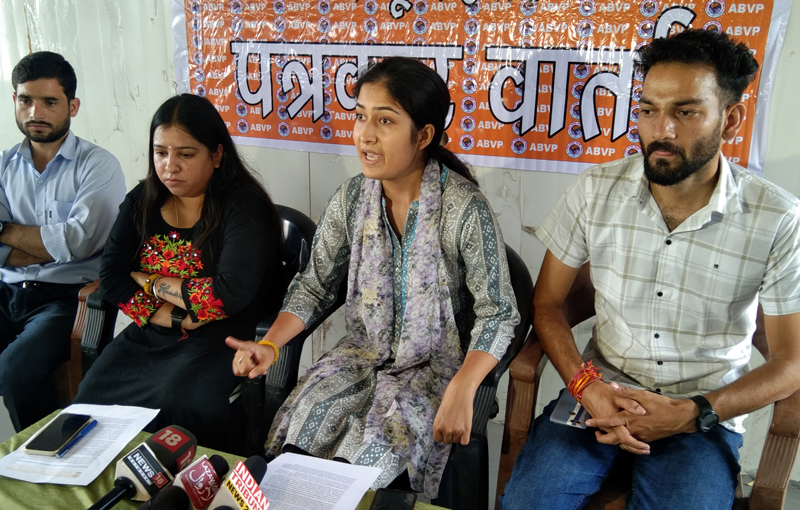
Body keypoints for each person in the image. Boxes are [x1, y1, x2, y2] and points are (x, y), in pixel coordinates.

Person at [500, 29, 800, 510]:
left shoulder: (777, 218)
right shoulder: (597, 190)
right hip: (596, 399)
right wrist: (587, 387)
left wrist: (693, 413)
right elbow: (548, 304)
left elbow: (792, 362)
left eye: (686, 111)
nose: (662, 130)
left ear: (731, 119)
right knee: (528, 504)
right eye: (647, 110)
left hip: (702, 416)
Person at [227, 57, 520, 497]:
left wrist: (464, 385)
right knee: (300, 443)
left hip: (433, 372)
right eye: (360, 116)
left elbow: (499, 314)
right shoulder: (351, 199)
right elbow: (314, 284)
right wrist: (270, 345)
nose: (365, 134)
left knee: (367, 474)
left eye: (384, 120)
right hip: (359, 359)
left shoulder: (464, 209)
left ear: (423, 135)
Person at [75, 94, 285, 451]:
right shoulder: (143, 198)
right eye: (160, 153)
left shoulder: (242, 206)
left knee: (182, 404)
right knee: (93, 395)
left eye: (186, 155)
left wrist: (148, 279)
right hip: (153, 331)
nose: (170, 166)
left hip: (221, 338)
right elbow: (111, 275)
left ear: (216, 155)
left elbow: (225, 296)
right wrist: (173, 318)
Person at [0, 51, 125, 431]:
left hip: (65, 299)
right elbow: (64, 243)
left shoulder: (97, 165)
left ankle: (43, 459)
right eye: (25, 100)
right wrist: (52, 244)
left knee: (14, 371)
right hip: (7, 292)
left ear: (72, 106)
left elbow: (80, 242)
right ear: (15, 101)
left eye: (49, 102)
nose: (35, 111)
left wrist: (5, 231)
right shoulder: (5, 164)